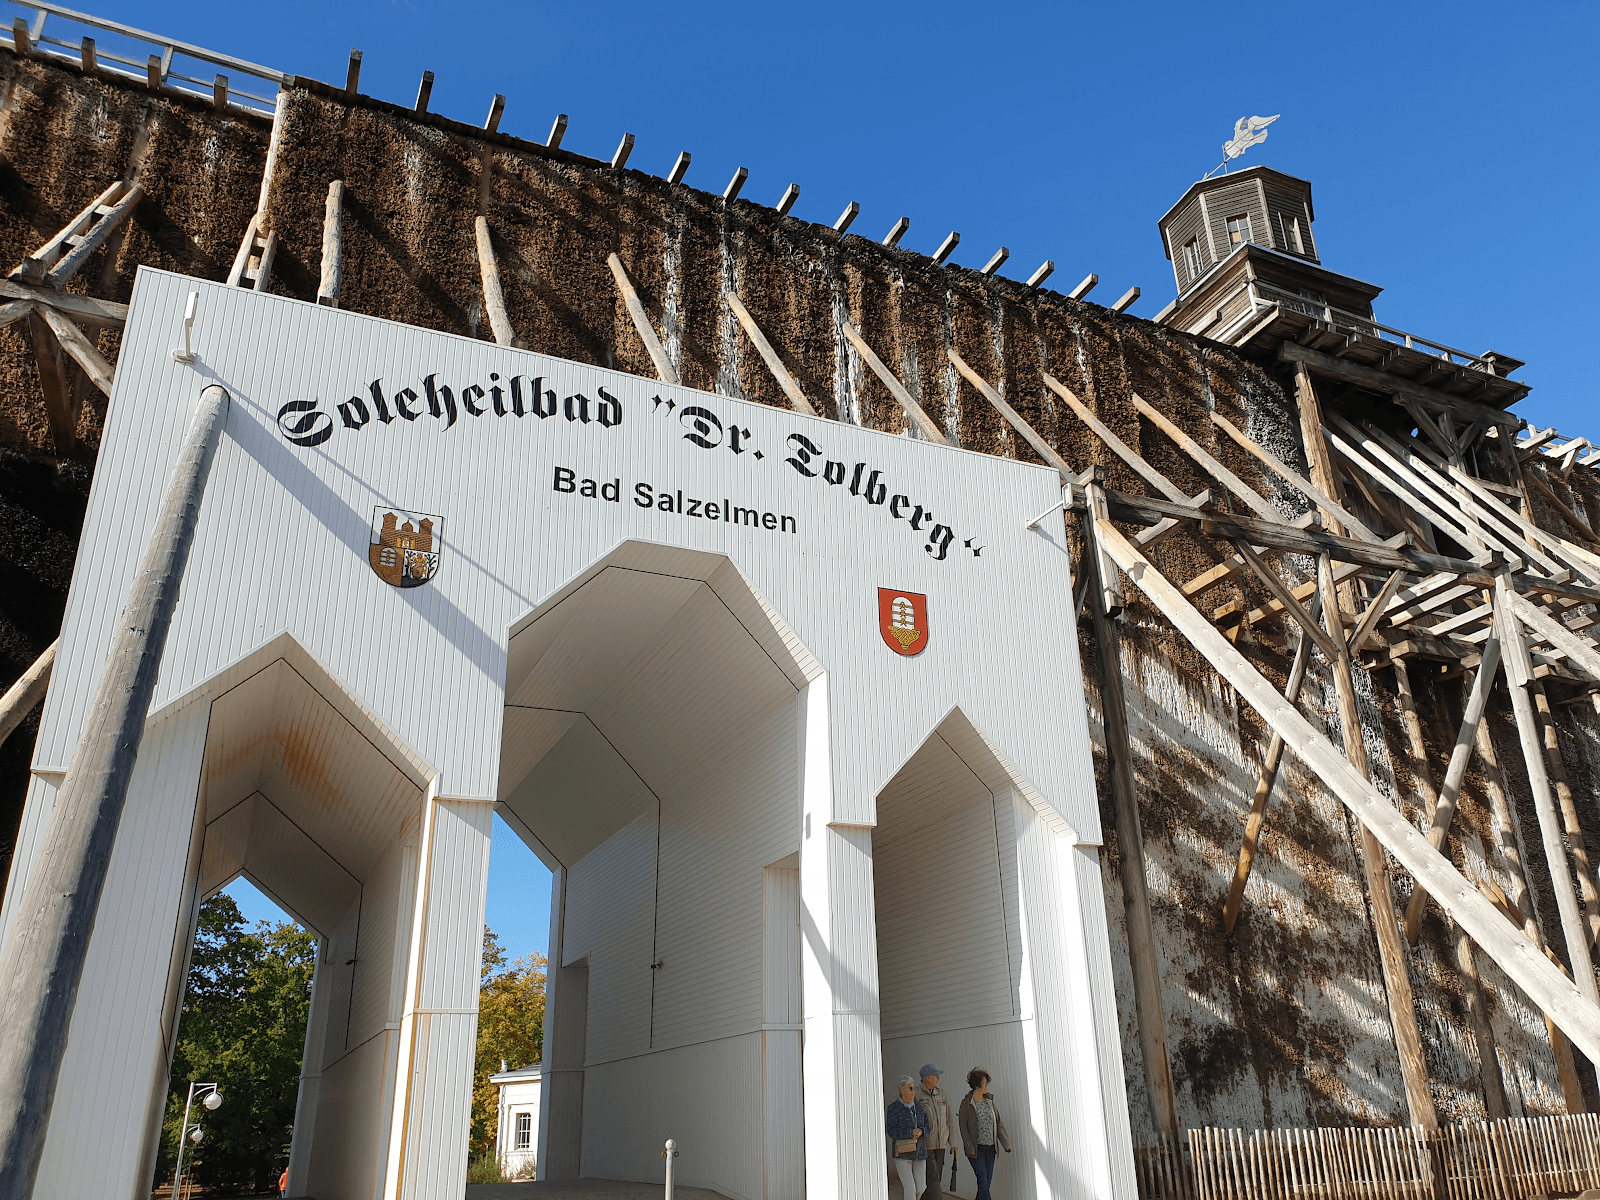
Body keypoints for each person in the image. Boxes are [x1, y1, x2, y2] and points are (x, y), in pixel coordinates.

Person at [959, 1068, 1011, 1200]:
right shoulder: (966, 1103)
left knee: (985, 1184)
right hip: (976, 1150)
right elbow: (963, 1128)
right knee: (982, 1180)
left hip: (991, 1149)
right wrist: (969, 1146)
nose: (987, 1086)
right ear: (977, 1085)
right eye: (985, 1083)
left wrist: (1006, 1144)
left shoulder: (990, 1102)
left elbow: (999, 1123)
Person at [915, 1063, 956, 1200]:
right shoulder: (916, 1095)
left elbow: (949, 1120)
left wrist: (953, 1143)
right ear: (927, 1078)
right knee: (933, 1179)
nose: (938, 1078)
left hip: (941, 1145)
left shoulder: (941, 1094)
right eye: (935, 1076)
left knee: (935, 1179)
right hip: (926, 1145)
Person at [886, 1075, 927, 1200]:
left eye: (914, 1088)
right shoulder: (893, 1108)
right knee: (910, 1188)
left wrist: (921, 1131)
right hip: (903, 1154)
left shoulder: (919, 1108)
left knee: (921, 1188)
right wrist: (910, 1133)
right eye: (910, 1088)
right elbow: (891, 1131)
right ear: (902, 1090)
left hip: (919, 1153)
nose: (913, 1091)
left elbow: (928, 1127)